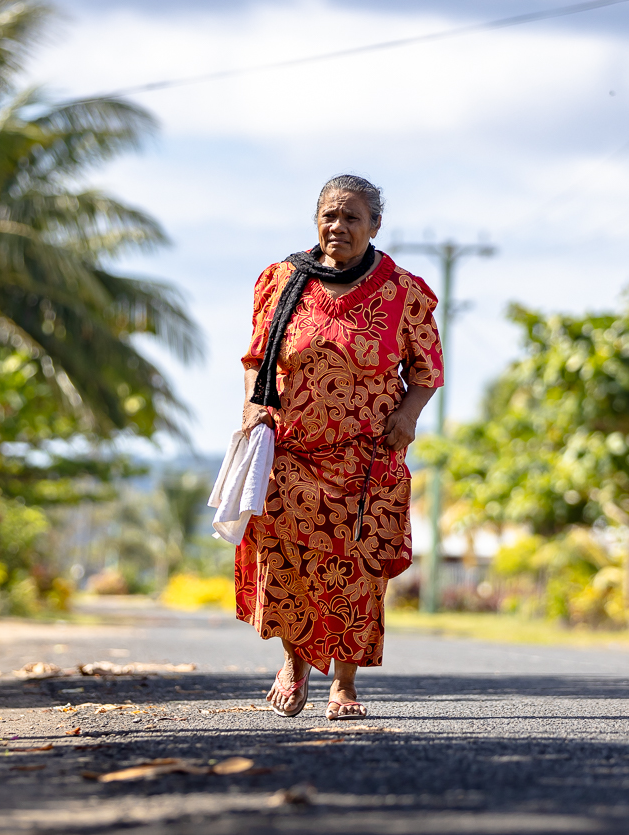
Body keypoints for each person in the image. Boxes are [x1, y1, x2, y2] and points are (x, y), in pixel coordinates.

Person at [237, 174, 443, 720]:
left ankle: (344, 684)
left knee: (356, 565)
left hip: (367, 455)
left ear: (375, 226)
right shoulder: (282, 281)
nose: (339, 226)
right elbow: (258, 360)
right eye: (330, 214)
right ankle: (295, 663)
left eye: (353, 217)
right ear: (316, 220)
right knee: (290, 556)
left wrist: (407, 415)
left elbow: (426, 371)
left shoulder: (405, 291)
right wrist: (251, 409)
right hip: (292, 451)